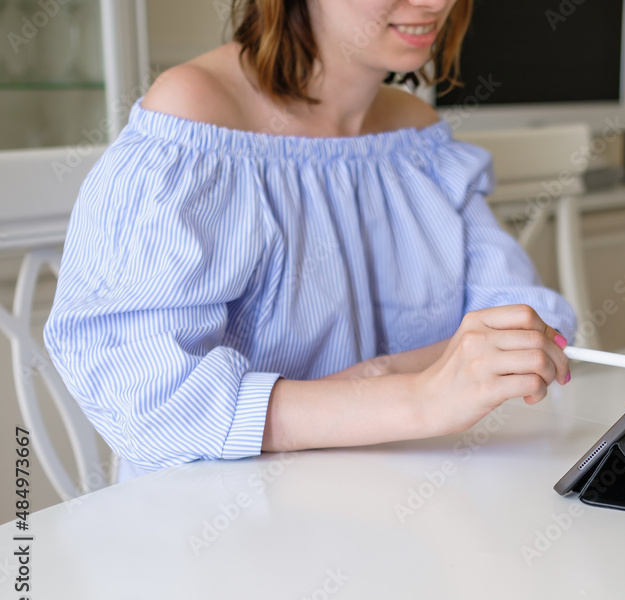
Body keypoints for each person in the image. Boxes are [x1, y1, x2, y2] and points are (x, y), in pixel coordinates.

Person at [42, 0, 577, 481]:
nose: (437, 2)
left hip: (394, 514)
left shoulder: (419, 138)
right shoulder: (193, 117)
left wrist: (382, 379)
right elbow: (149, 398)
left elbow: (529, 327)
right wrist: (414, 396)